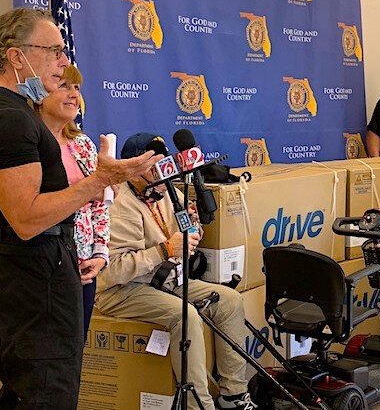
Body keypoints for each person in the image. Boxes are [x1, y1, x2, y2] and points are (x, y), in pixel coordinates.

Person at [0, 8, 159, 409]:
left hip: (36, 263)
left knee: (29, 381)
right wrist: (100, 180)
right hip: (37, 264)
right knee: (47, 385)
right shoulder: (8, 118)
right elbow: (25, 218)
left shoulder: (5, 109)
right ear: (16, 56)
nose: (64, 62)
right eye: (53, 51)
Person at [95, 133, 258, 410]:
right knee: (185, 316)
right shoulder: (119, 205)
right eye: (151, 166)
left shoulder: (166, 193)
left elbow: (184, 238)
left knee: (230, 301)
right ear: (131, 168)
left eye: (162, 164)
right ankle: (199, 405)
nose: (160, 173)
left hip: (165, 280)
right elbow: (111, 272)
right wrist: (164, 250)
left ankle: (233, 396)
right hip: (123, 290)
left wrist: (193, 229)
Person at [38, 65, 109, 335]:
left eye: (77, 88)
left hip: (84, 269)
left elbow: (99, 205)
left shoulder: (83, 144)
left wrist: (100, 252)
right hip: (43, 268)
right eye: (64, 85)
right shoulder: (26, 141)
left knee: (74, 353)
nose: (73, 95)